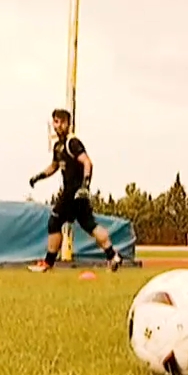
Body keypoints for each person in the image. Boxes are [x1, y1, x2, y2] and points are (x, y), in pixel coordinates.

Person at [27, 109, 123, 273]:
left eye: (60, 122)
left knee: (54, 222)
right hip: (75, 193)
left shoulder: (73, 143)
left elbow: (87, 162)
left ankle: (48, 263)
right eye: (55, 122)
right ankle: (113, 255)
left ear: (67, 124)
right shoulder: (58, 146)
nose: (57, 126)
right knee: (89, 224)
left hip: (73, 192)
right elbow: (54, 166)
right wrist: (39, 176)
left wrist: (85, 186)